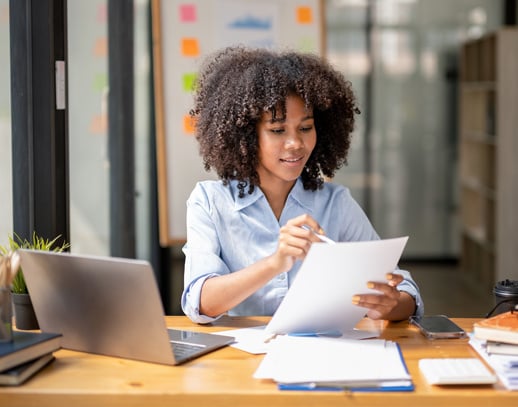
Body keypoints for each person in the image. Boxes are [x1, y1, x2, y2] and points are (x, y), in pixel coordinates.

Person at [181, 46, 423, 324]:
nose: (296, 143)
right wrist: (275, 263)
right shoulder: (209, 201)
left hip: (322, 355)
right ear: (246, 136)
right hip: (238, 362)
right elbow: (200, 303)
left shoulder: (335, 203)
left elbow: (402, 288)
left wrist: (392, 305)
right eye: (277, 130)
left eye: (306, 128)